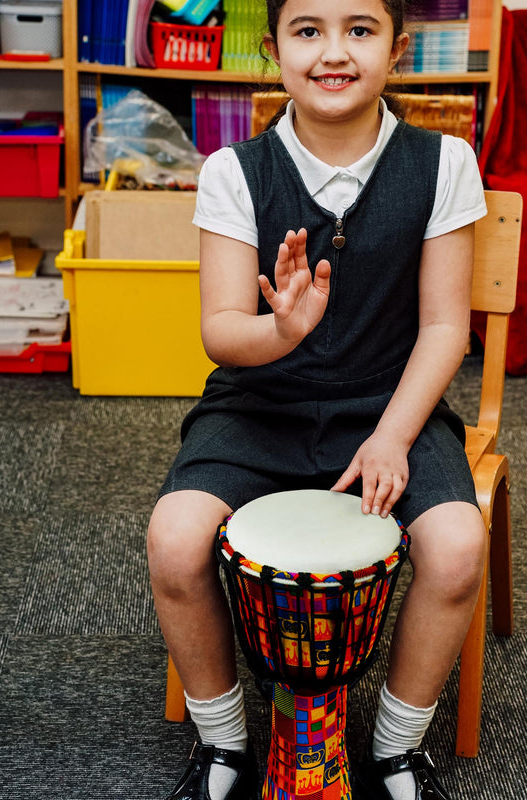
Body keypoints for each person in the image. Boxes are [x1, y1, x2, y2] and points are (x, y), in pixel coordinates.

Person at [147, 0, 489, 798]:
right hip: (257, 407)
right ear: (273, 50)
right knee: (173, 540)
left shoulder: (445, 163)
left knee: (456, 548)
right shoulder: (235, 170)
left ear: (397, 49)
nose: (334, 52)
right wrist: (283, 330)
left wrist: (394, 436)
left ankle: (399, 747)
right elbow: (223, 334)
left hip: (389, 410)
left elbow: (445, 330)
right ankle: (224, 744)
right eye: (309, 31)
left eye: (359, 30)